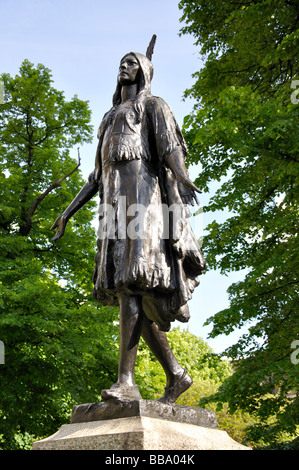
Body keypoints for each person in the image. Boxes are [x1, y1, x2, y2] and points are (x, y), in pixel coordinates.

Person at [51, 38, 205, 404]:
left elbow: (169, 151)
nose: (124, 67)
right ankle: (175, 374)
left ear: (144, 71)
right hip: (115, 213)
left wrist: (182, 178)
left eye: (131, 62)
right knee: (131, 293)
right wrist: (66, 213)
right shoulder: (108, 119)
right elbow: (96, 176)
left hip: (145, 210)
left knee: (131, 288)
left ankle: (127, 381)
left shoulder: (152, 107)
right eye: (121, 62)